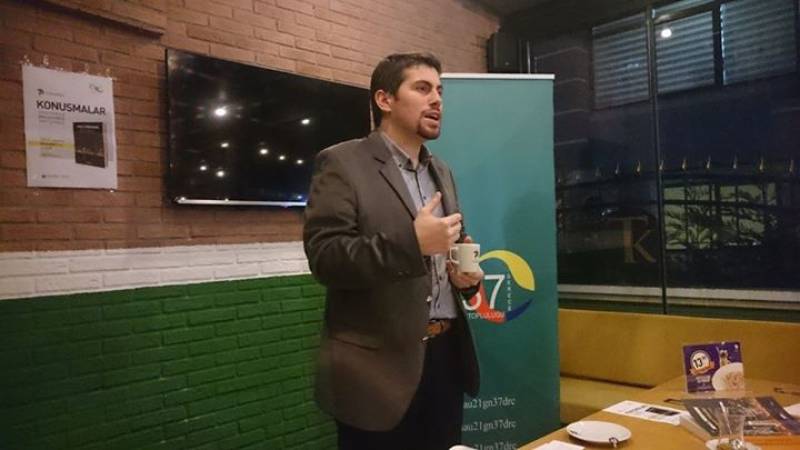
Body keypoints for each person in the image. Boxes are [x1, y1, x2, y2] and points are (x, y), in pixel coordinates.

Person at [303, 52, 483, 450]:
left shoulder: (442, 170)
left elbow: (449, 249)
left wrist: (465, 280)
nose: (437, 100)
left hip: (445, 358)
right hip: (376, 372)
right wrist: (412, 244)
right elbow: (326, 258)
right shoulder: (342, 163)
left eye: (440, 91)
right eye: (422, 88)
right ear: (384, 100)